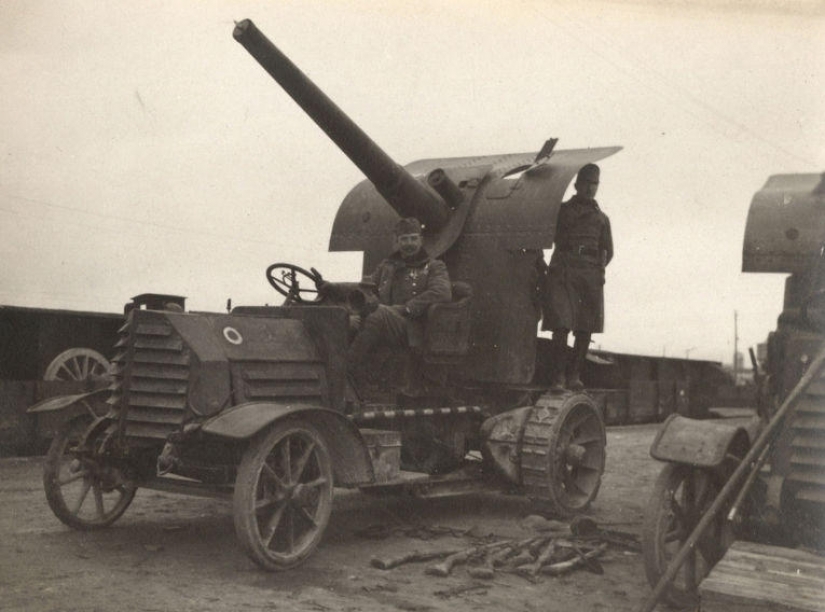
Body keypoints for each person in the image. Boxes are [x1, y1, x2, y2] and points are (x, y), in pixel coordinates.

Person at [344, 217, 452, 379]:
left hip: (412, 326)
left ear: (421, 240)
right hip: (384, 319)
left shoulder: (434, 266)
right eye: (404, 239)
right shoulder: (387, 266)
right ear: (397, 241)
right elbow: (365, 287)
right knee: (346, 314)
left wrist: (407, 308)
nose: (409, 244)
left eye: (413, 239)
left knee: (377, 313)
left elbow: (442, 292)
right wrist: (332, 287)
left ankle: (345, 369)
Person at [541, 163, 613, 391]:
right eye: (587, 184)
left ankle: (574, 375)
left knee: (585, 327)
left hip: (590, 275)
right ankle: (558, 377)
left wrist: (597, 270)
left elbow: (608, 251)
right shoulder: (561, 211)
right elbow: (546, 237)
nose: (591, 189)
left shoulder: (602, 219)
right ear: (577, 185)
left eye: (595, 185)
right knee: (561, 325)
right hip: (564, 271)